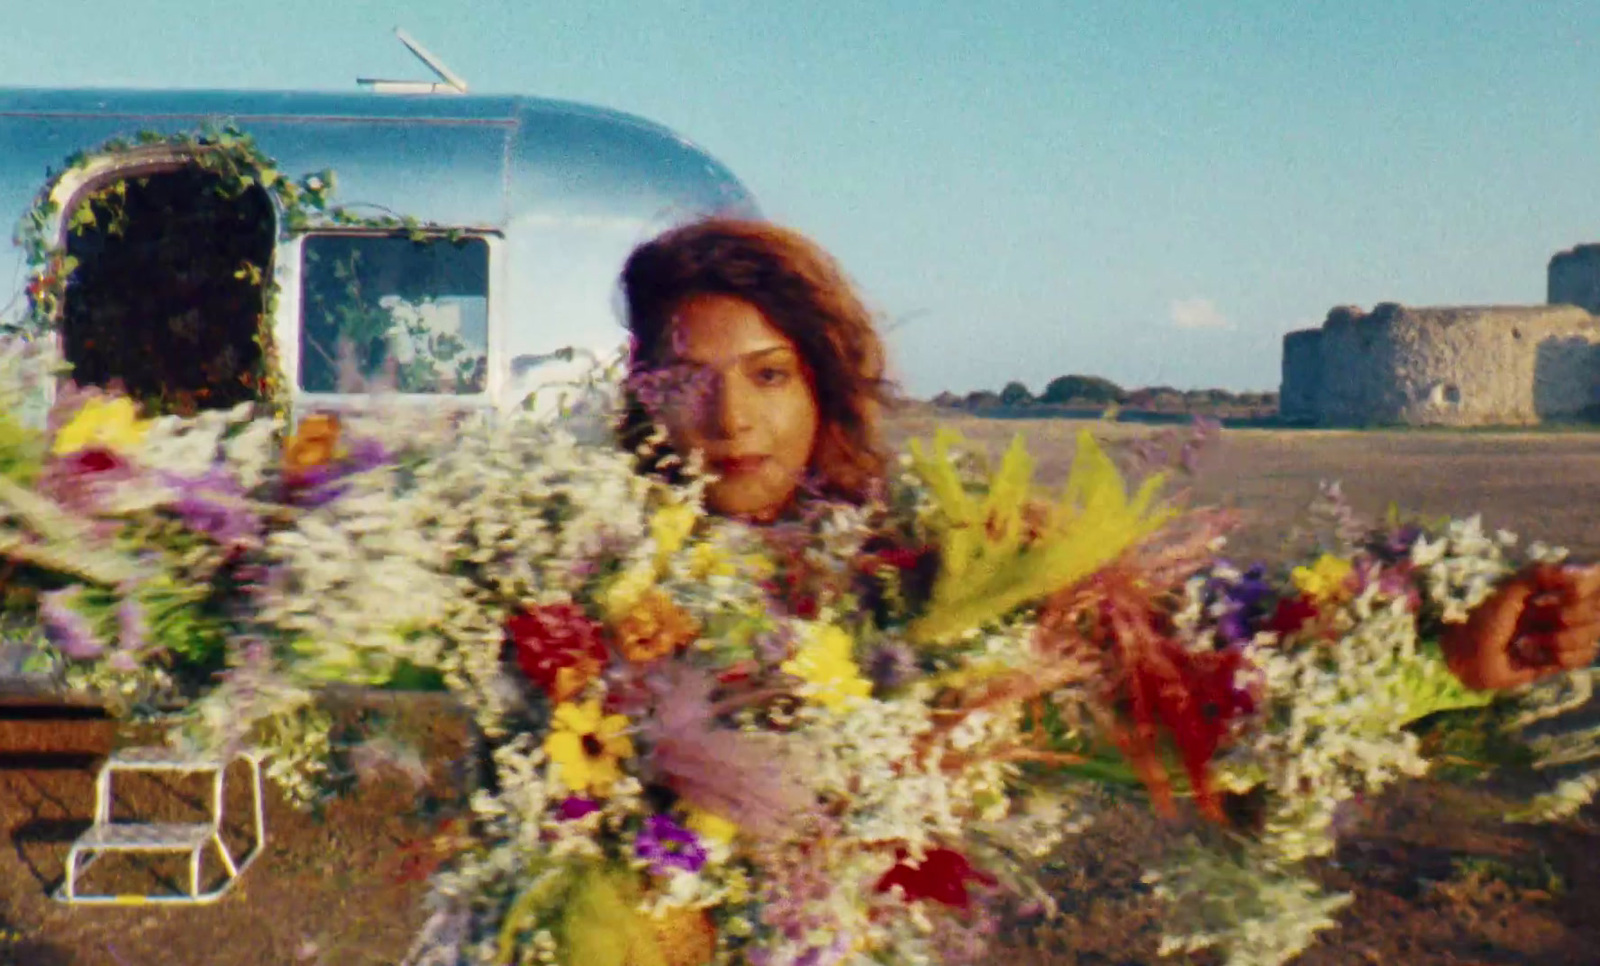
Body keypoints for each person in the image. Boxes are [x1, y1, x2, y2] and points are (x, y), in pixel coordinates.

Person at [615, 215, 1600, 692]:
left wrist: (1442, 661)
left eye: (768, 376)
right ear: (638, 392)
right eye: (687, 379)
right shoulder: (559, 566)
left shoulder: (935, 565)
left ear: (823, 382)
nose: (729, 420)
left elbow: (1208, 663)